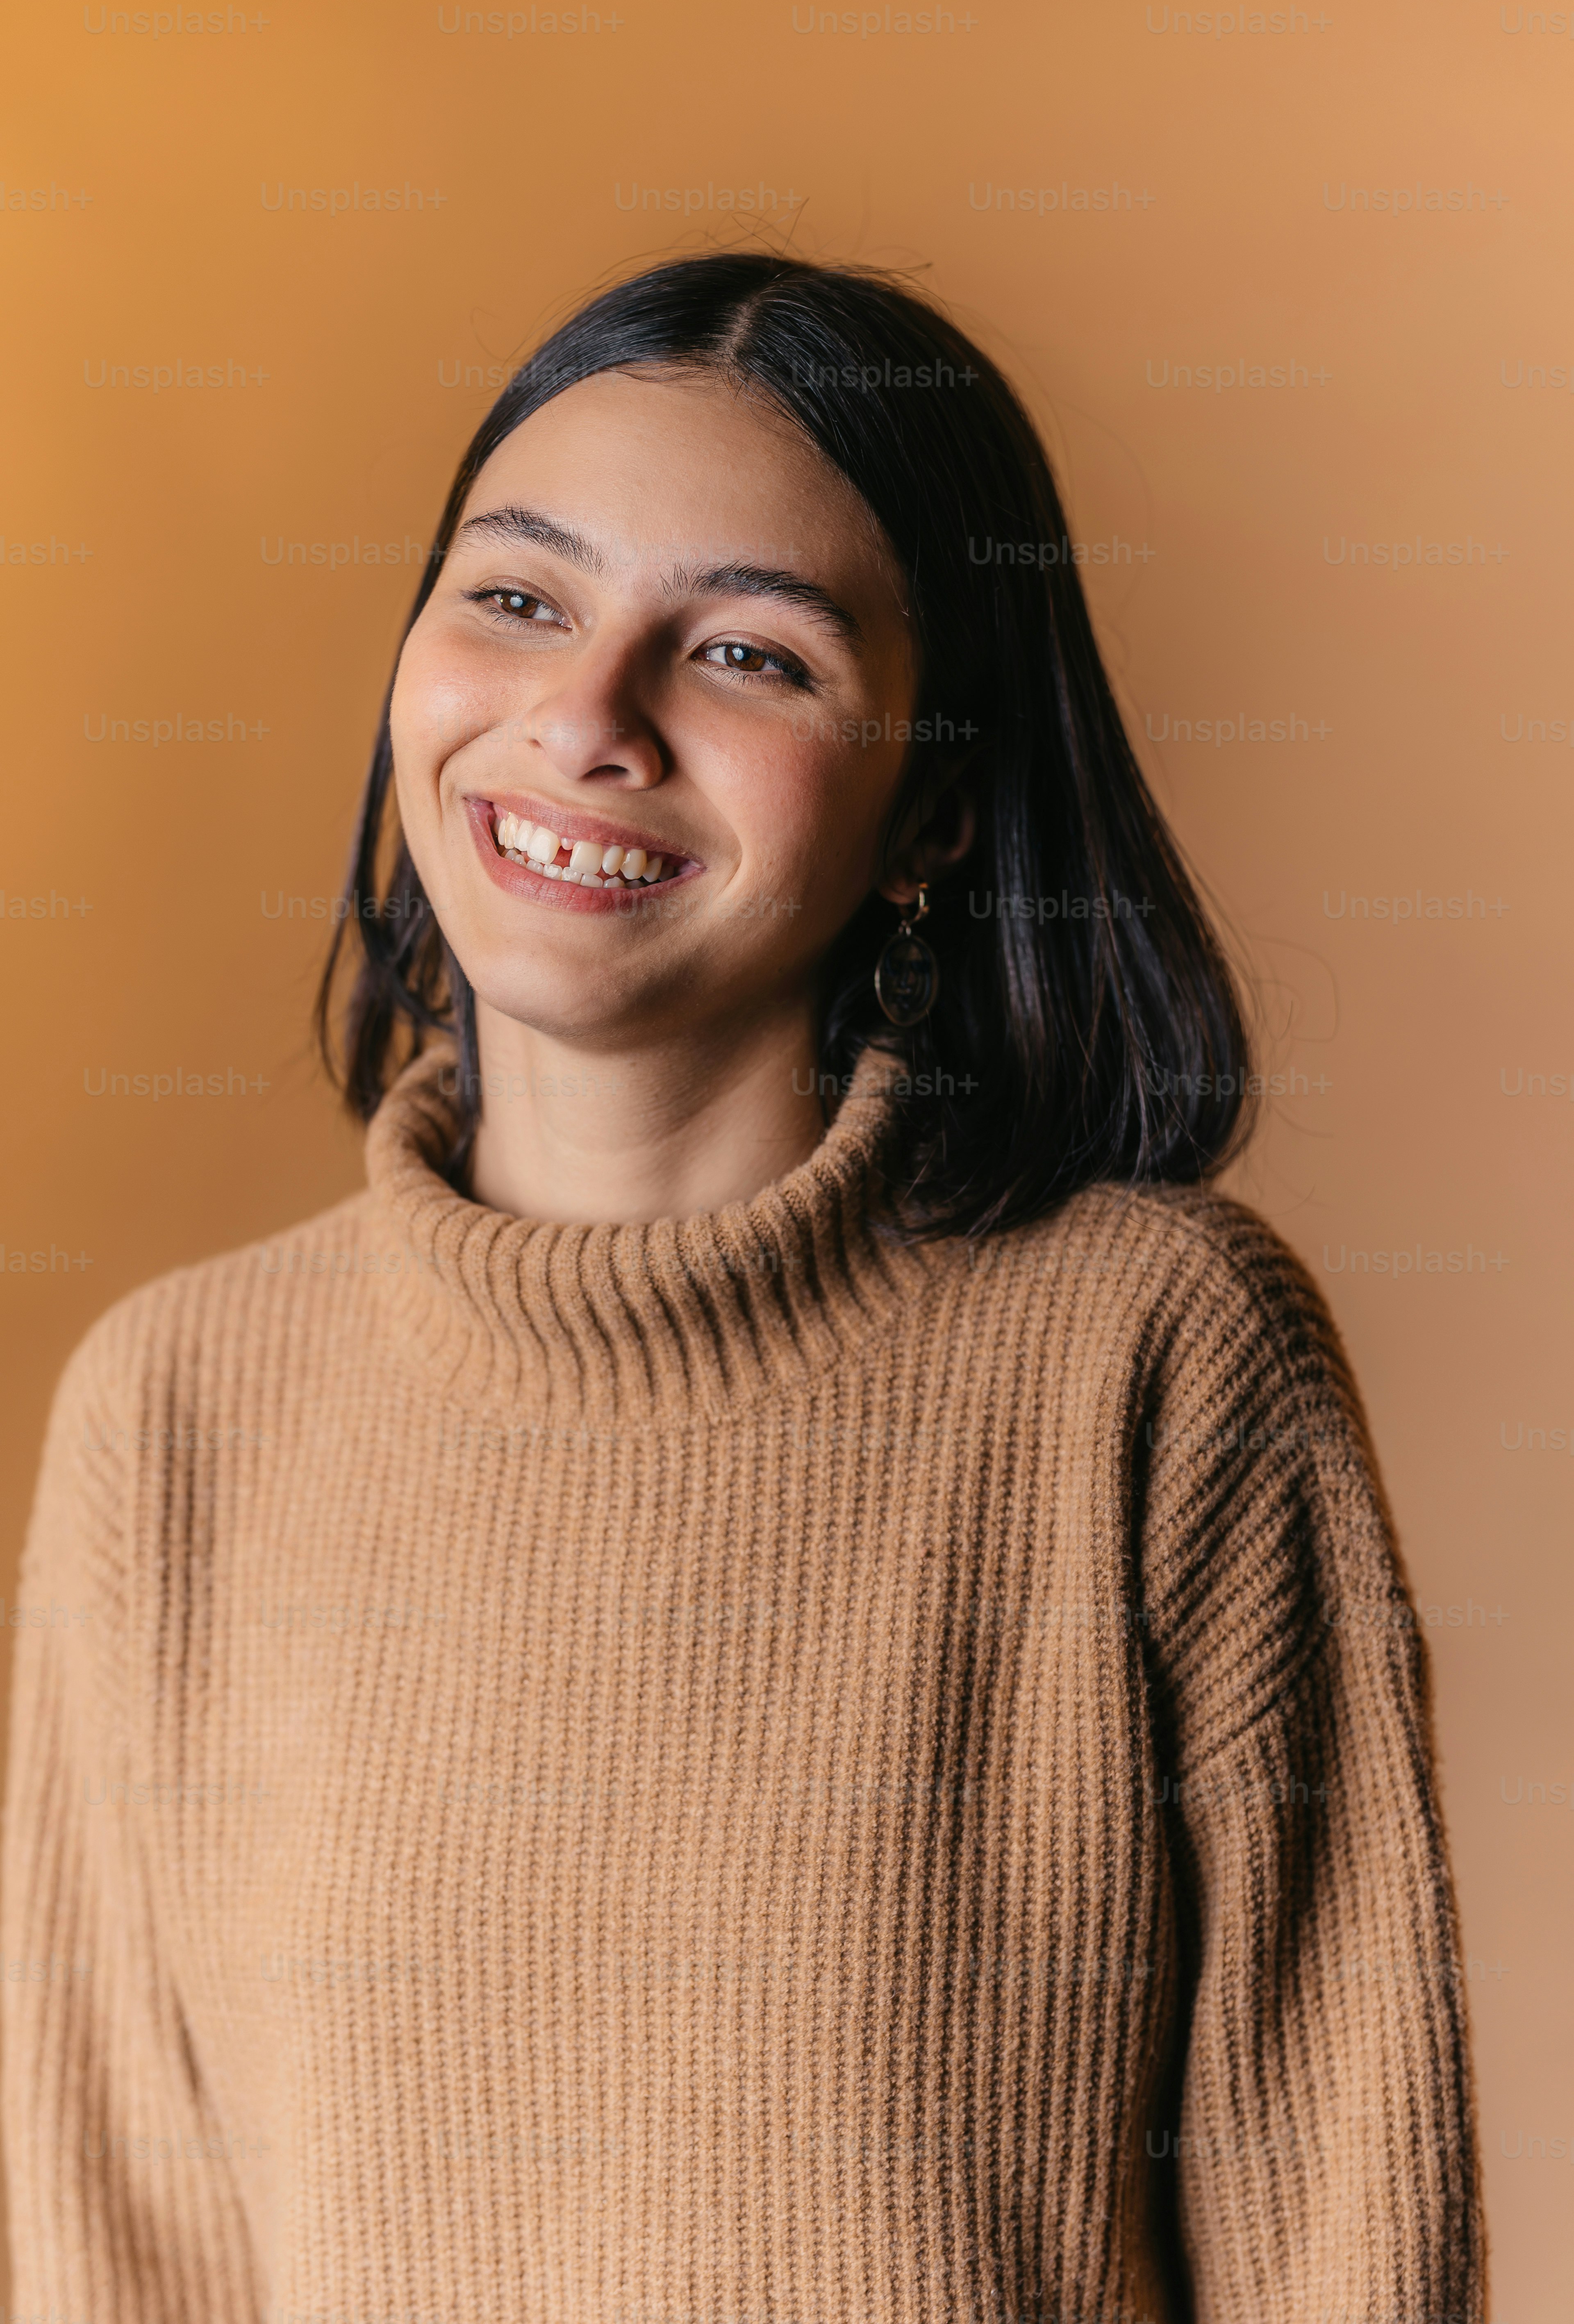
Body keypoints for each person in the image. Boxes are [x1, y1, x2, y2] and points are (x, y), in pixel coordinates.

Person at [2, 253, 1482, 2323]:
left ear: (936, 813)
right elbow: (120, 2256)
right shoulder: (170, 1414)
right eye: (519, 596)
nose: (587, 717)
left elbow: (1344, 2230)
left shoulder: (1155, 1358)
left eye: (751, 657)